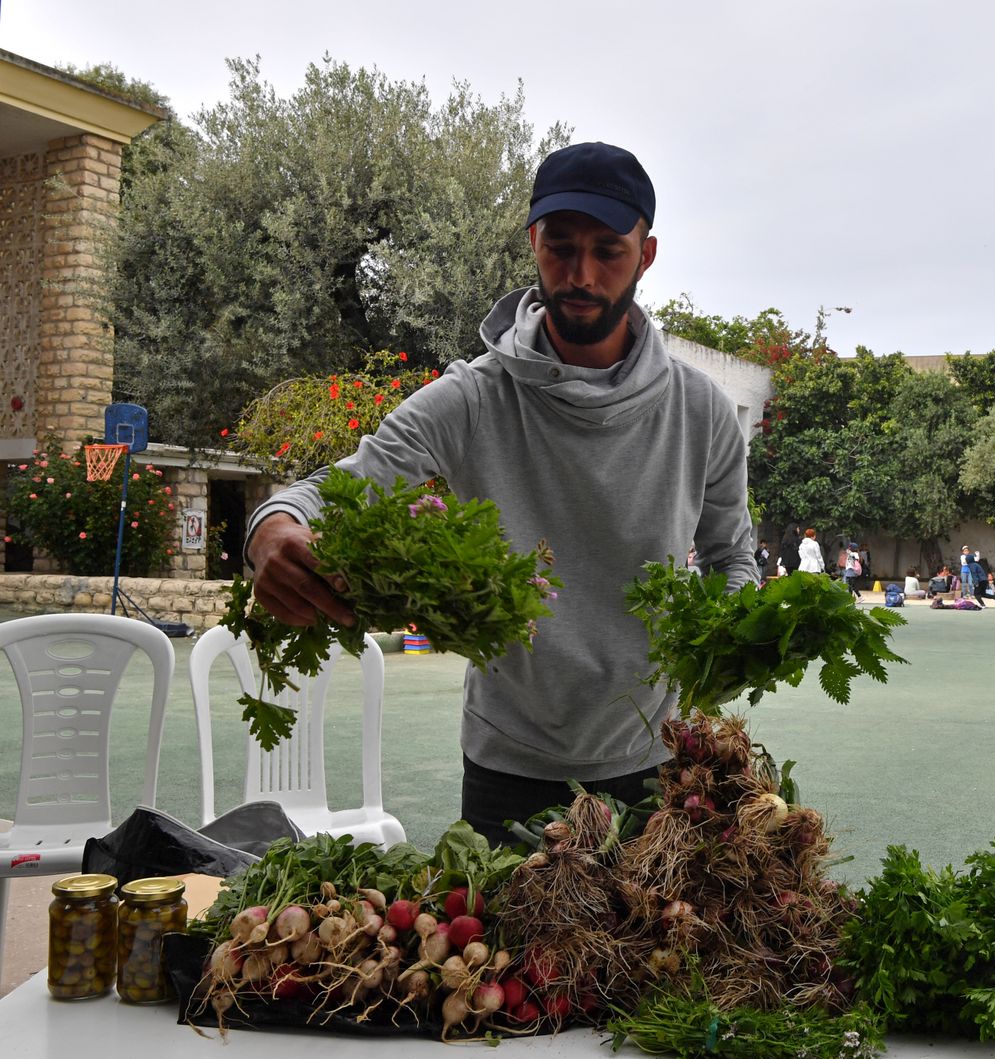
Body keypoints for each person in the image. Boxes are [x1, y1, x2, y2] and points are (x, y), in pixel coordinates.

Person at [243, 141, 757, 847]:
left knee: (646, 957)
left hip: (653, 759)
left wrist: (727, 647)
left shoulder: (702, 411)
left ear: (647, 254)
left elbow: (734, 558)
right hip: (509, 764)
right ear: (532, 244)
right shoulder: (474, 399)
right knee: (506, 955)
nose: (580, 274)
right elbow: (342, 484)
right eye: (560, 246)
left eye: (608, 250)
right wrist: (271, 525)